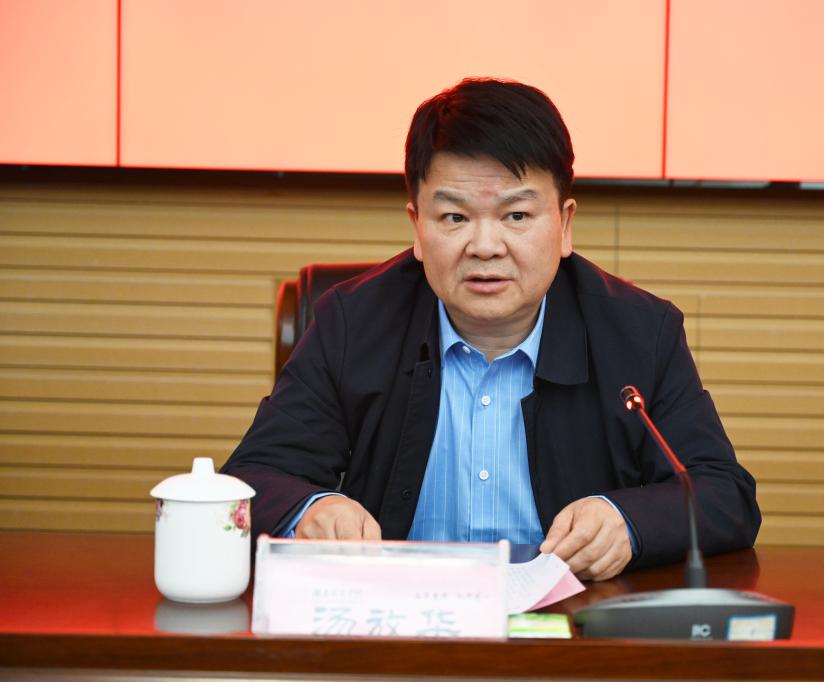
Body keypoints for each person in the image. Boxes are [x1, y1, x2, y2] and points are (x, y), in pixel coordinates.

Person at [221, 78, 759, 581]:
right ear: (417, 228)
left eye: (516, 216)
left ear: (565, 225)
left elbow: (723, 493)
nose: (484, 246)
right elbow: (250, 481)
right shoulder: (352, 323)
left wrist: (628, 521)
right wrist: (314, 509)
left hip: (572, 628)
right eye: (454, 218)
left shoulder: (640, 332)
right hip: (400, 622)